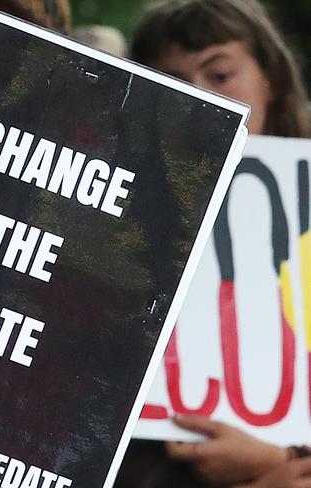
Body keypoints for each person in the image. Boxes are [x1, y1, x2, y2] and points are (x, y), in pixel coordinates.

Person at [115, 0, 311, 487]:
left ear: (271, 78)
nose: (203, 99)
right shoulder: (104, 233)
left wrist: (278, 460)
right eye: (176, 83)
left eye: (220, 74)